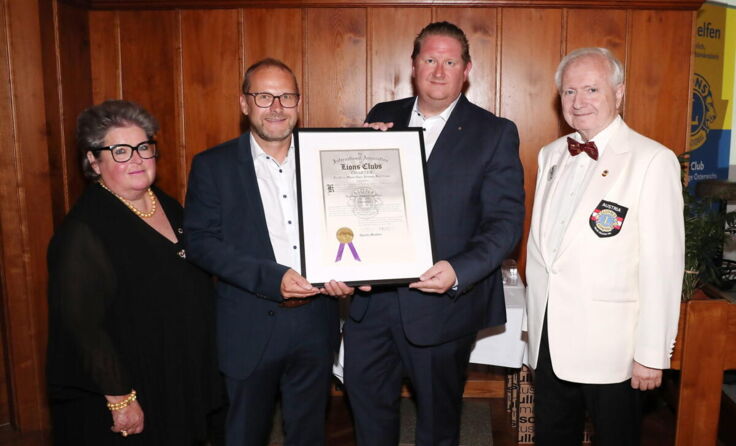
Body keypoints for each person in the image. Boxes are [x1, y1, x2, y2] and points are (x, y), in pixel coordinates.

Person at [343, 21, 525, 446]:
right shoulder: (382, 116)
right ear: (413, 65)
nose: (439, 71)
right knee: (368, 417)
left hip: (442, 307)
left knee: (438, 427)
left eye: (450, 62)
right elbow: (357, 201)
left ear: (467, 69)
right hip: (371, 306)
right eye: (429, 59)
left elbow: (504, 223)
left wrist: (459, 270)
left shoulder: (494, 132)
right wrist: (358, 151)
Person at [183, 58, 362, 446]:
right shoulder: (213, 166)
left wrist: (354, 272)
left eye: (286, 96)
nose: (277, 107)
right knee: (244, 434)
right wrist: (271, 278)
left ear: (299, 102)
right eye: (264, 96)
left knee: (308, 433)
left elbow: (355, 224)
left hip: (316, 321)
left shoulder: (328, 158)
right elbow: (200, 242)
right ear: (244, 103)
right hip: (248, 323)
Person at [525, 47, 684, 445]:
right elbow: (546, 256)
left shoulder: (652, 160)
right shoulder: (550, 155)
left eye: (592, 89)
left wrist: (651, 353)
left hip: (614, 350)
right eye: (569, 91)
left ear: (620, 93)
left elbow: (662, 266)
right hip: (549, 342)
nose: (579, 102)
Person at [46, 100, 222, 445]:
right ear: (93, 161)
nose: (137, 159)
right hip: (133, 383)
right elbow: (82, 328)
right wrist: (121, 399)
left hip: (176, 371)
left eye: (143, 147)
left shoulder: (165, 203)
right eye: (121, 151)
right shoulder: (83, 231)